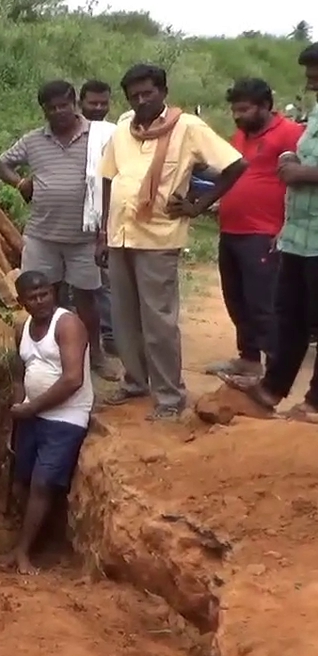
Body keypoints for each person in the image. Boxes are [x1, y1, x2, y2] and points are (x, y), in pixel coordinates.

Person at [97, 63, 247, 420]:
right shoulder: (122, 131)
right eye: (134, 95)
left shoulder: (188, 128)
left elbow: (235, 165)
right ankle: (135, 382)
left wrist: (198, 205)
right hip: (120, 235)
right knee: (124, 318)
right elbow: (108, 178)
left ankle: (169, 396)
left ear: (163, 92)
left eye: (148, 93)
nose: (141, 100)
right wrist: (102, 231)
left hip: (159, 238)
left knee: (158, 322)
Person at [0, 80, 117, 380]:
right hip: (43, 235)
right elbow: (1, 164)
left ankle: (94, 356)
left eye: (64, 105)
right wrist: (21, 184)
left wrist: (105, 232)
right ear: (44, 111)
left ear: (74, 103)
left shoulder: (100, 136)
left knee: (87, 299)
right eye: (52, 108)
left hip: (84, 237)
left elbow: (115, 177)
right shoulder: (34, 140)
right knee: (46, 297)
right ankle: (52, 353)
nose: (59, 112)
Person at [233, 43, 318, 421]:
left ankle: (315, 403)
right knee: (290, 317)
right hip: (298, 233)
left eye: (315, 73)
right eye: (308, 73)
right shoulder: (315, 113)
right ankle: (272, 388)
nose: (310, 80)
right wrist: (289, 160)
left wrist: (303, 174)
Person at [205, 78, 305, 379]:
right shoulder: (240, 135)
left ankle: (275, 373)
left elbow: (300, 184)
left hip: (264, 232)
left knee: (263, 303)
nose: (238, 116)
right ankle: (248, 359)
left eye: (244, 109)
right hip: (232, 229)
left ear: (265, 107)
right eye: (235, 110)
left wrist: (286, 227)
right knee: (235, 298)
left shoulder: (291, 133)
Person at [5, 270, 92, 575]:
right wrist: (19, 408)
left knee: (43, 484)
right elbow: (19, 372)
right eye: (33, 297)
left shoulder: (67, 324)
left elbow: (73, 380)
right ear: (22, 302)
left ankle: (25, 553)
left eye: (45, 293)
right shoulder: (23, 328)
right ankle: (20, 544)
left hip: (65, 418)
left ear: (53, 293)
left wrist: (31, 409)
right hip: (32, 414)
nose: (41, 300)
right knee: (22, 480)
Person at [79, 79, 118, 356]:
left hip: (106, 217)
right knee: (78, 285)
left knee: (106, 279)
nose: (98, 108)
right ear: (81, 103)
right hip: (73, 219)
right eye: (93, 103)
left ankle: (111, 335)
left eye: (104, 103)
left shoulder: (115, 134)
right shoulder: (72, 132)